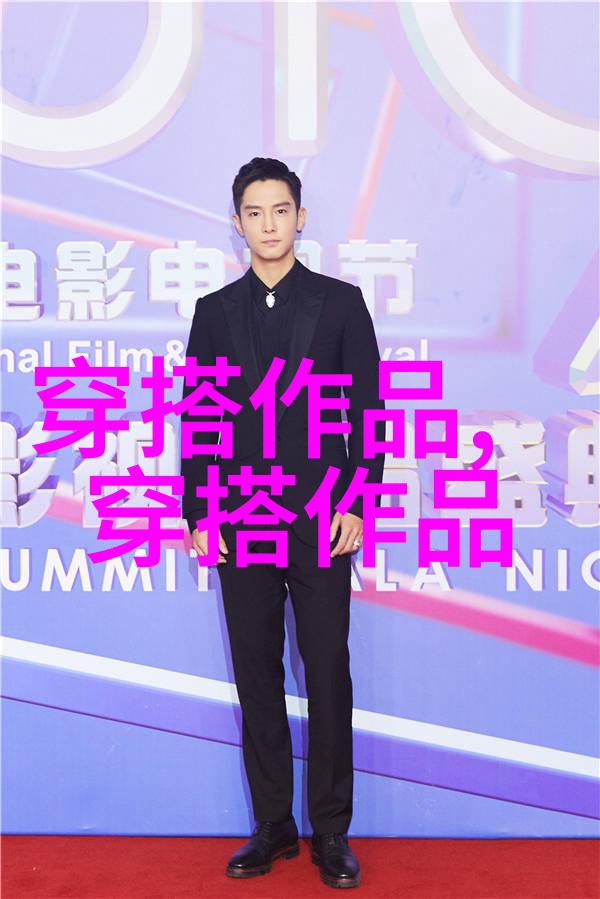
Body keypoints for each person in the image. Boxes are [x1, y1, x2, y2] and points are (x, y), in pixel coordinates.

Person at [180, 157, 385, 889]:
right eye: (254, 212)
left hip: (322, 516)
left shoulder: (340, 304)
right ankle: (273, 825)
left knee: (327, 668)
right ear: (237, 224)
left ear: (301, 217)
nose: (268, 224)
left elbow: (367, 412)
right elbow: (199, 420)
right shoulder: (214, 312)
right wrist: (200, 510)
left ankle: (331, 830)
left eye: (280, 210)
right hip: (242, 517)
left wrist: (358, 501)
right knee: (256, 670)